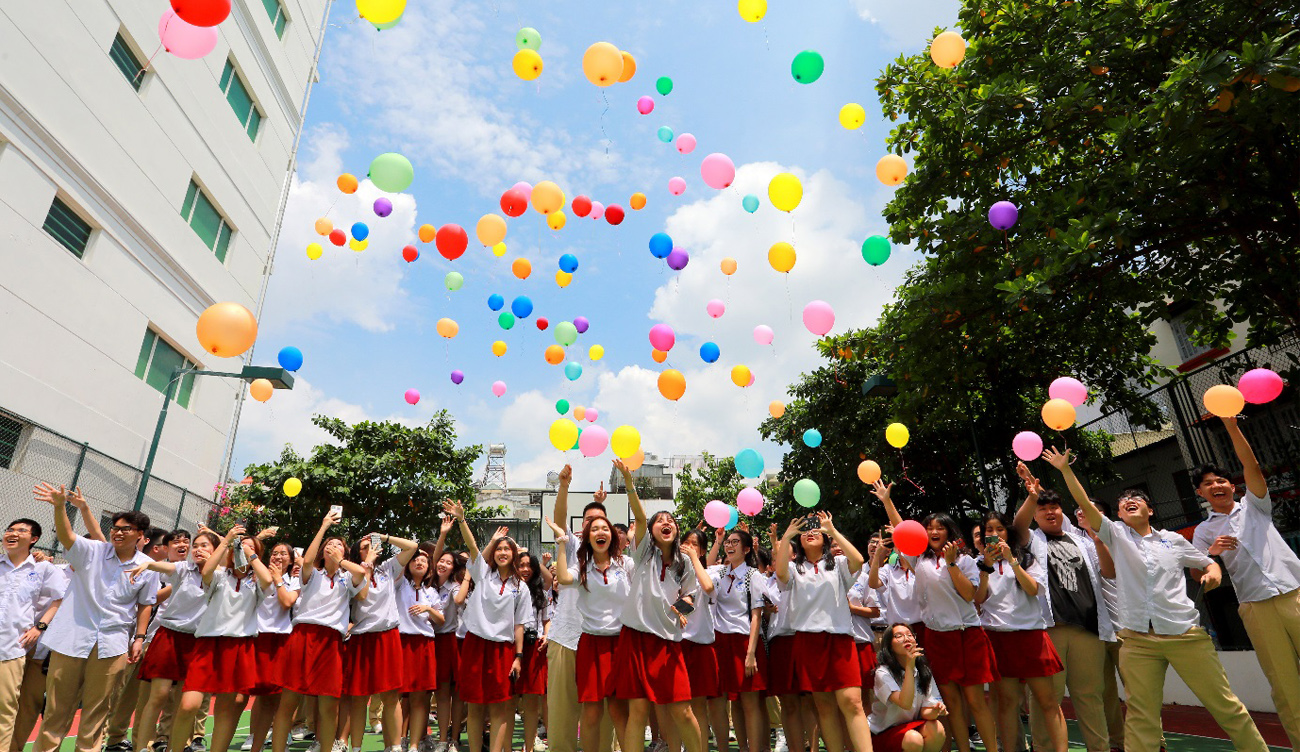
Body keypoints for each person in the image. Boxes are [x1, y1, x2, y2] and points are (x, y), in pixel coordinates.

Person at [1045, 446, 1268, 752]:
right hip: (1137, 640)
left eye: (1136, 500)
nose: (1128, 503)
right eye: (1123, 503)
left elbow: (1207, 562)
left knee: (1226, 707)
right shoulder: (1116, 535)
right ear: (1119, 516)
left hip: (1185, 635)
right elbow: (1084, 502)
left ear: (1150, 510)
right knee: (1141, 717)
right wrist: (1065, 470)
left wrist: (1213, 573)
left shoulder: (1174, 540)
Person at [1191, 415, 1300, 749]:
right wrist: (1211, 553)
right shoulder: (1202, 531)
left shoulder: (1256, 505)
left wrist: (1231, 426)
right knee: (1284, 686)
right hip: (1254, 606)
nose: (1216, 484)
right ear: (1200, 492)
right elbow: (1200, 574)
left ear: (1233, 485)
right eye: (1208, 483)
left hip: (1294, 593)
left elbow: (1250, 463)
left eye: (1221, 479)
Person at [31, 483, 159, 752]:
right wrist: (59, 507)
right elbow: (67, 536)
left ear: (140, 535)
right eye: (115, 528)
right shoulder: (93, 551)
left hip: (112, 645)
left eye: (125, 529)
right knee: (56, 710)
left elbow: (145, 604)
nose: (118, 533)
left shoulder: (147, 569)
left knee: (96, 713)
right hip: (70, 639)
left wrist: (139, 637)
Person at [873, 482, 998, 752]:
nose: (933, 531)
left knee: (976, 702)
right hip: (938, 639)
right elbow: (903, 529)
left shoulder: (965, 560)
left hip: (969, 635)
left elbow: (970, 596)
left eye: (939, 527)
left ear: (949, 531)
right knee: (951, 703)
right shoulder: (919, 560)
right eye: (929, 528)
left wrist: (951, 563)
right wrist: (887, 501)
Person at [1010, 462, 1119, 752]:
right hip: (1050, 630)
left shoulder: (1081, 540)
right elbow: (1018, 525)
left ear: (1062, 512)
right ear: (1035, 515)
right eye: (1043, 509)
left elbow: (1108, 572)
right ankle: (1043, 748)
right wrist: (1031, 493)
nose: (1050, 512)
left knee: (1090, 697)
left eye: (1055, 507)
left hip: (1088, 629)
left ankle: (1100, 748)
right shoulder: (1032, 540)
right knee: (1047, 698)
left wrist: (1099, 542)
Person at [609, 458, 702, 752]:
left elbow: (691, 597)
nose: (667, 523)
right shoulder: (643, 554)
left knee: (683, 711)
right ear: (650, 532)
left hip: (667, 644)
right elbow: (638, 511)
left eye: (671, 520)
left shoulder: (684, 561)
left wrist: (681, 610)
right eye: (660, 520)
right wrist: (628, 483)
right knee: (638, 712)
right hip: (635, 640)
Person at [773, 512, 872, 752]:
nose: (811, 532)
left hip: (840, 639)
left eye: (816, 530)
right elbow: (780, 573)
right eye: (805, 531)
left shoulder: (837, 564)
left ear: (825, 540)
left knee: (853, 703)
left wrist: (832, 530)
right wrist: (786, 536)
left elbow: (858, 560)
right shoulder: (795, 569)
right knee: (825, 707)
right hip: (808, 642)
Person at [271, 510, 368, 752]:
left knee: (328, 706)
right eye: (329, 545)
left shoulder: (348, 579)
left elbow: (361, 573)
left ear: (345, 553)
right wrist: (324, 526)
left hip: (331, 642)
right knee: (288, 702)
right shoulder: (311, 575)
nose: (333, 547)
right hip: (303, 636)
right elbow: (306, 560)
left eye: (338, 545)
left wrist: (341, 561)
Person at [174, 525, 274, 752]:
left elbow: (268, 580)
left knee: (226, 710)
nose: (244, 550)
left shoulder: (257, 581)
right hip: (208, 644)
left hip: (239, 646)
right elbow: (206, 571)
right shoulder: (220, 575)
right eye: (240, 547)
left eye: (252, 548)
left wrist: (250, 554)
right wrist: (228, 540)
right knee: (188, 705)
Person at [972, 512, 1065, 752]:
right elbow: (978, 599)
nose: (994, 535)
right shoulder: (976, 563)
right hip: (998, 637)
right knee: (1007, 704)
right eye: (989, 531)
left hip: (1032, 635)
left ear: (1008, 532)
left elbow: (1034, 590)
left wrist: (1012, 561)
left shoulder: (1026, 558)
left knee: (1048, 702)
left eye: (999, 529)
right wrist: (987, 567)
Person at [446, 502, 528, 752]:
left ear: (514, 554)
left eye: (508, 549)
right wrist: (461, 520)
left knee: (500, 708)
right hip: (475, 645)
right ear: (493, 553)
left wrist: (518, 657)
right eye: (499, 548)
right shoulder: (482, 573)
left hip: (502, 650)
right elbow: (472, 546)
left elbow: (519, 625)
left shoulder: (520, 586)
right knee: (474, 706)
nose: (503, 552)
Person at [553, 498, 631, 752]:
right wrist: (562, 545)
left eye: (605, 528)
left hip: (620, 643)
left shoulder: (625, 564)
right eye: (593, 527)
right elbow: (564, 577)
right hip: (589, 643)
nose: (600, 532)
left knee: (620, 711)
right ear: (585, 533)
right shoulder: (581, 566)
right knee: (592, 711)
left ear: (613, 534)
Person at [130, 529, 218, 752]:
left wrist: (217, 538)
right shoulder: (183, 569)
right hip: (169, 636)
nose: (197, 549)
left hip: (198, 642)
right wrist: (148, 565)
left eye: (204, 545)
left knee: (184, 704)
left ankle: (175, 746)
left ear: (216, 551)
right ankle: (142, 746)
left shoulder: (222, 575)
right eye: (195, 546)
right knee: (157, 696)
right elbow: (165, 566)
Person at [547, 466, 615, 752]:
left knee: (602, 716)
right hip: (566, 637)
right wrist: (564, 486)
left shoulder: (619, 560)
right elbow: (560, 520)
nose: (595, 528)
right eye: (589, 522)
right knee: (562, 714)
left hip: (603, 641)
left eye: (601, 523)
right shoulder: (573, 546)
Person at [342, 531, 423, 752]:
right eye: (364, 547)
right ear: (357, 553)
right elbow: (361, 595)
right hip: (362, 638)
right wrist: (366, 565)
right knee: (359, 698)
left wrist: (385, 537)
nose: (371, 549)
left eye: (373, 545)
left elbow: (412, 547)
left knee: (391, 696)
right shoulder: (352, 573)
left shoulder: (387, 568)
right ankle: (356, 747)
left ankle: (395, 747)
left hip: (388, 636)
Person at [0, 517, 67, 752]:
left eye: (20, 531)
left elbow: (59, 598)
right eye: (9, 529)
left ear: (34, 539)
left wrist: (39, 627)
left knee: (6, 708)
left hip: (11, 648)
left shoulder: (43, 568)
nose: (12, 533)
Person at [708, 529, 767, 752]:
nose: (729, 546)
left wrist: (751, 653)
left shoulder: (754, 575)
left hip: (745, 642)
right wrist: (717, 541)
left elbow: (756, 614)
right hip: (720, 642)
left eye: (735, 542)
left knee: (750, 704)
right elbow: (705, 566)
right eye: (728, 543)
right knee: (727, 702)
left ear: (747, 549)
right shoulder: (720, 572)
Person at [243, 541, 300, 752]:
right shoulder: (255, 574)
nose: (278, 556)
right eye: (275, 553)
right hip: (253, 636)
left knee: (271, 698)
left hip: (278, 640)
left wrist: (277, 579)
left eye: (284, 554)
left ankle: (260, 744)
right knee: (240, 696)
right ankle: (250, 736)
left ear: (291, 560)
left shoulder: (293, 580)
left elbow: (287, 603)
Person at [393, 537, 443, 752]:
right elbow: (401, 557)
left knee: (420, 697)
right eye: (415, 559)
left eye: (424, 560)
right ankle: (398, 741)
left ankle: (414, 744)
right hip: (402, 643)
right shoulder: (398, 583)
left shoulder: (431, 592)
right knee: (397, 696)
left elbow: (440, 620)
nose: (419, 562)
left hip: (424, 645)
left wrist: (429, 609)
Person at [678, 530, 723, 752]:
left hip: (701, 646)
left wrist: (695, 559)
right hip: (677, 646)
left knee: (698, 707)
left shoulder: (709, 573)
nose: (688, 547)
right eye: (685, 543)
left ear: (703, 550)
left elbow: (707, 588)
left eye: (694, 544)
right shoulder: (671, 573)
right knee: (677, 707)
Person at [868, 624, 945, 752]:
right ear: (889, 646)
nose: (907, 639)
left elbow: (926, 712)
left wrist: (936, 710)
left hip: (909, 728)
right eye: (899, 636)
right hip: (882, 733)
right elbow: (905, 703)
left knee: (937, 728)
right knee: (913, 739)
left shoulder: (923, 672)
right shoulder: (883, 673)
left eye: (910, 635)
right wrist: (910, 666)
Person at [430, 542, 466, 752]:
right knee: (442, 694)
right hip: (434, 641)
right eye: (441, 561)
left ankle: (454, 738)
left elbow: (459, 600)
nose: (443, 564)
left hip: (453, 640)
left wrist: (468, 574)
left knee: (458, 693)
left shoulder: (454, 586)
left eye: (449, 562)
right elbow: (433, 560)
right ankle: (442, 739)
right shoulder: (428, 584)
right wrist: (442, 534)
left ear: (454, 568)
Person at [514, 553, 551, 752]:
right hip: (510, 646)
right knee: (508, 702)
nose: (525, 569)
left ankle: (528, 746)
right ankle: (504, 746)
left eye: (529, 566)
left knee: (531, 701)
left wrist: (546, 634)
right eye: (521, 565)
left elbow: (546, 620)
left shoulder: (540, 593)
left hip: (535, 646)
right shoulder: (507, 589)